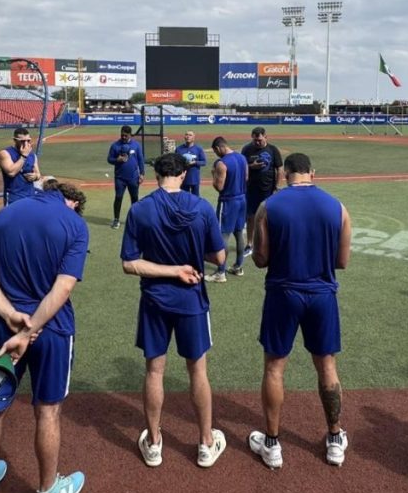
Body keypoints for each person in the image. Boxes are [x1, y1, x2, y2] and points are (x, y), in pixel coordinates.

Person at [0, 180, 89, 493]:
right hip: (51, 329)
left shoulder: (4, 214)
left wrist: (10, 315)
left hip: (3, 326)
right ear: (68, 199)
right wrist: (31, 328)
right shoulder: (74, 223)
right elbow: (63, 287)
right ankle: (48, 492)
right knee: (48, 410)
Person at [121, 153, 228, 468]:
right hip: (192, 299)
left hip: (154, 300)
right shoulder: (202, 207)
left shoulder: (140, 209)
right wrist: (190, 261)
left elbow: (130, 263)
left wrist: (170, 269)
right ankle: (206, 443)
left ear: (157, 176)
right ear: (182, 175)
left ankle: (154, 443)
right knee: (198, 371)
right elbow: (220, 257)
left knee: (155, 370)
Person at [247, 153, 353, 469]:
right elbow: (342, 261)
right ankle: (334, 439)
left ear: (286, 174)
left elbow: (260, 259)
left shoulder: (270, 206)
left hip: (283, 293)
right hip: (322, 294)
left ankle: (273, 443)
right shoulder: (337, 207)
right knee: (327, 366)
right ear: (312, 173)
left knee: (274, 367)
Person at [206, 136, 248, 283]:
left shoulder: (222, 163)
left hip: (228, 201)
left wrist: (213, 175)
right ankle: (238, 266)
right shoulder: (242, 158)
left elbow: (219, 187)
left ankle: (221, 272)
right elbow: (246, 177)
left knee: (222, 235)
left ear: (218, 148)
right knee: (238, 233)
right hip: (242, 199)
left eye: (216, 151)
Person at [240, 126, 282, 257]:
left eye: (259, 140)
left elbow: (279, 168)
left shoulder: (273, 150)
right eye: (254, 140)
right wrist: (252, 166)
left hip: (268, 189)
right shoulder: (247, 149)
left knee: (268, 217)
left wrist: (276, 186)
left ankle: (268, 242)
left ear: (265, 137)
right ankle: (250, 244)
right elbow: (241, 167)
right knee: (251, 216)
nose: (257, 142)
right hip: (251, 189)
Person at [107, 124, 145, 229]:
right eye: (122, 135)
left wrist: (142, 174)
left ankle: (135, 220)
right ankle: (116, 220)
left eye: (126, 135)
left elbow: (141, 160)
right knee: (118, 197)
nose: (123, 137)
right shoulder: (115, 145)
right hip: (120, 178)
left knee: (134, 199)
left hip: (133, 177)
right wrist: (116, 160)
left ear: (130, 135)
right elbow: (109, 159)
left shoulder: (136, 145)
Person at [0, 127, 41, 206]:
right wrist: (23, 156)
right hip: (13, 197)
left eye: (28, 140)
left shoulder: (32, 155)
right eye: (22, 141)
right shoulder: (5, 153)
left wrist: (35, 176)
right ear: (15, 140)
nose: (26, 143)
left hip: (30, 195)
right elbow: (11, 172)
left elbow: (38, 174)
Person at [174, 130, 207, 196]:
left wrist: (195, 162)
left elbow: (204, 162)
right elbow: (175, 162)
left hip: (194, 179)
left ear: (194, 138)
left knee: (195, 198)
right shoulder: (179, 149)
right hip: (183, 179)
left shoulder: (198, 149)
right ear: (184, 137)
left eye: (190, 135)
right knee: (183, 197)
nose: (188, 136)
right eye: (186, 135)